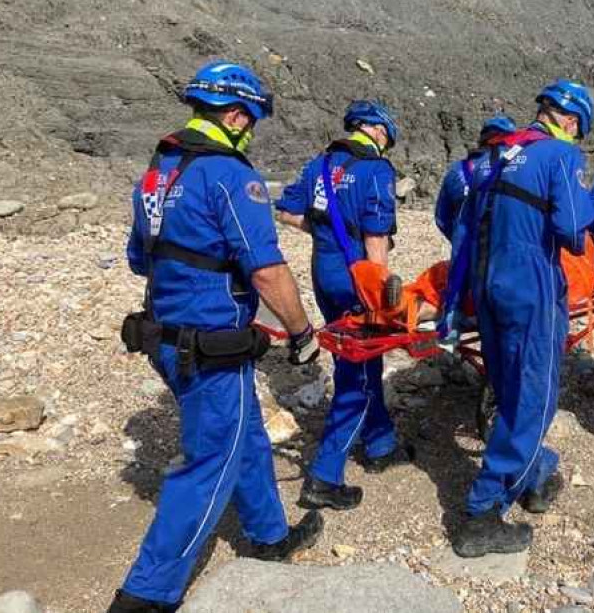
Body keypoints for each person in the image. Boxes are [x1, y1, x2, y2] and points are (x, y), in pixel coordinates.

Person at [111, 61, 323, 613]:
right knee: (208, 464)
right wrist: (302, 332)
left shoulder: (158, 172)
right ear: (234, 115)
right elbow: (267, 270)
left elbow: (140, 258)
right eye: (250, 121)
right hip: (210, 341)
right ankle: (145, 594)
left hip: (162, 331)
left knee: (244, 432)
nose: (250, 131)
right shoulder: (231, 175)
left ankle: (270, 536)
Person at [447, 79, 594, 558]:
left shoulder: (491, 157)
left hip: (485, 287)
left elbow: (459, 226)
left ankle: (535, 474)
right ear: (571, 121)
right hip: (530, 289)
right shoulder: (561, 156)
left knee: (508, 388)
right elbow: (573, 229)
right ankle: (482, 511)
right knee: (534, 398)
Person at [275, 100, 412, 512]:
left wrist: (323, 235)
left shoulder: (319, 164)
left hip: (323, 270)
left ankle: (381, 442)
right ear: (377, 131)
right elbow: (375, 239)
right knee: (363, 373)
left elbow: (285, 211)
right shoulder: (376, 170)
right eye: (387, 136)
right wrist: (383, 295)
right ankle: (324, 475)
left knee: (352, 360)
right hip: (357, 275)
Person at [434, 116, 517, 241]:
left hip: (463, 251)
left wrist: (458, 240)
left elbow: (442, 218)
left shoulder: (458, 169)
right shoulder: (517, 168)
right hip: (503, 251)